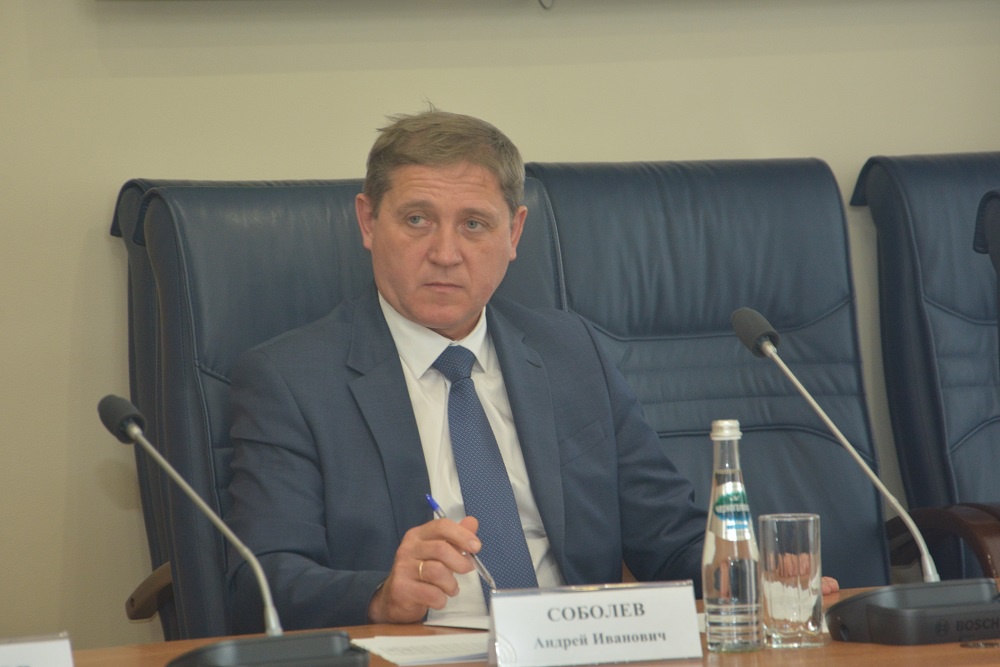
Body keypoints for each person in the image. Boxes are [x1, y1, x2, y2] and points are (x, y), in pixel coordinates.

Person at [225, 109, 836, 632]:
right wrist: (379, 595)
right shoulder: (291, 380)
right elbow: (260, 582)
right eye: (416, 220)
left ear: (514, 233)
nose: (445, 253)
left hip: (583, 650)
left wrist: (751, 576)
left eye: (474, 224)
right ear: (367, 222)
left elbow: (666, 536)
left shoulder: (572, 353)